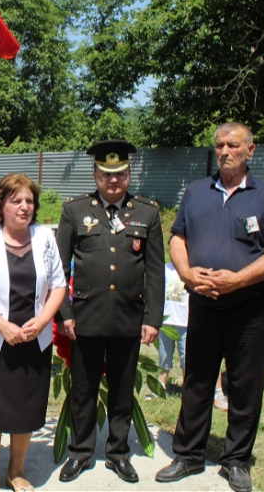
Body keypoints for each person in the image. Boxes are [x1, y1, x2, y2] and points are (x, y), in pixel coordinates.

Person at [155, 123, 264, 492]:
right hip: (204, 305)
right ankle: (188, 455)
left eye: (233, 145)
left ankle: (236, 461)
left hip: (252, 309)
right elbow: (178, 238)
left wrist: (238, 279)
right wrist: (185, 271)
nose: (225, 150)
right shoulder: (196, 192)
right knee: (197, 381)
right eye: (219, 145)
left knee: (246, 385)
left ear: (251, 150)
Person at [56, 139, 165, 484]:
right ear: (95, 174)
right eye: (106, 174)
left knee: (121, 390)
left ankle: (119, 454)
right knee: (83, 390)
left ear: (129, 174)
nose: (113, 181)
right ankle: (80, 453)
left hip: (128, 317)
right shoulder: (75, 210)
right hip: (85, 317)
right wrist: (65, 313)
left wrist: (152, 319)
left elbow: (156, 271)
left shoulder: (147, 212)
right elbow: (59, 267)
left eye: (119, 174)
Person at [0, 173, 67, 492]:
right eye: (16, 200)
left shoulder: (45, 238)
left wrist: (43, 320)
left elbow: (59, 285)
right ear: (1, 204)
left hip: (35, 341)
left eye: (29, 201)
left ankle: (16, 470)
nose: (24, 207)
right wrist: (3, 326)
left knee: (27, 409)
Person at [151, 262, 228, 411]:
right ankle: (160, 386)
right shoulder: (165, 268)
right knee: (164, 355)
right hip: (167, 322)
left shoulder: (195, 268)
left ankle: (192, 391)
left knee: (188, 359)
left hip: (186, 321)